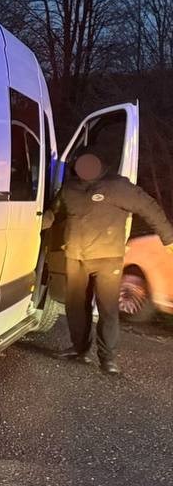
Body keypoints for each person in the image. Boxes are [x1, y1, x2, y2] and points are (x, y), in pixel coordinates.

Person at [43, 152, 173, 374]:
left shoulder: (118, 187)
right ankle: (79, 349)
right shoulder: (69, 189)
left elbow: (149, 207)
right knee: (75, 307)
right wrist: (35, 221)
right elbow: (54, 213)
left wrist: (168, 238)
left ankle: (108, 359)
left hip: (108, 259)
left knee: (108, 309)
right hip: (76, 256)